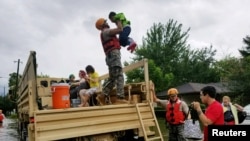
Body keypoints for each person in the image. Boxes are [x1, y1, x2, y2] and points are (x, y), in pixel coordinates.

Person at [95, 18, 127, 105]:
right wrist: (118, 20)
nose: (107, 22)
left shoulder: (104, 33)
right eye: (105, 22)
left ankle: (103, 96)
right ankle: (119, 98)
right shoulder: (105, 31)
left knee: (113, 78)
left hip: (110, 57)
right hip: (113, 56)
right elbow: (120, 29)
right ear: (102, 25)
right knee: (119, 76)